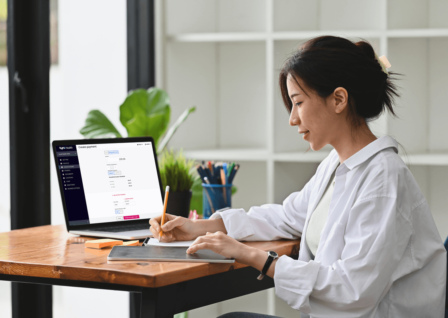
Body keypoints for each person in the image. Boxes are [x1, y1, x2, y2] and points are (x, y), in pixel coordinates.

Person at [150, 36, 447, 318]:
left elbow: (353, 291)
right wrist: (199, 226)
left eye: (298, 102)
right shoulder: (339, 163)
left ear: (339, 99)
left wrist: (254, 257)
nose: (292, 118)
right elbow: (288, 216)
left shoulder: (383, 179)